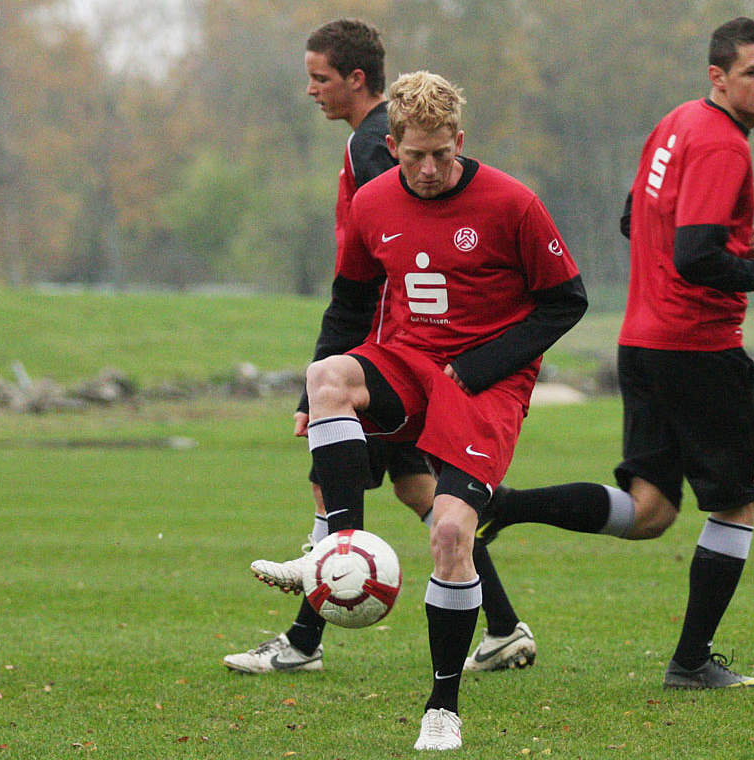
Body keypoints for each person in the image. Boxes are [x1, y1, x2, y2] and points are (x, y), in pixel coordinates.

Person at [473, 16, 754, 690]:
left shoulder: (675, 123)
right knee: (736, 503)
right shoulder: (721, 145)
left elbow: (636, 219)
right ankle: (691, 661)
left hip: (642, 342)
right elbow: (694, 255)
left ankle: (501, 507)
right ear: (718, 77)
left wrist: (730, 246)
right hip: (699, 349)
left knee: (650, 510)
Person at [224, 19, 536, 678]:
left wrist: (346, 374)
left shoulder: (380, 150)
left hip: (395, 359)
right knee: (419, 489)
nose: (311, 91)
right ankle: (503, 628)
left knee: (332, 477)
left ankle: (307, 629)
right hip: (393, 353)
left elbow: (393, 275)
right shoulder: (368, 144)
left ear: (356, 78)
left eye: (320, 78)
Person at [294, 70, 587, 750]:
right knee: (325, 377)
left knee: (452, 536)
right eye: (413, 155)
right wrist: (308, 401)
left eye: (441, 154)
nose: (428, 169)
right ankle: (345, 550)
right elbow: (349, 305)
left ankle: (443, 706)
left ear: (460, 139)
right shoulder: (371, 204)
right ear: (391, 142)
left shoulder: (513, 203)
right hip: (405, 361)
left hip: (486, 385)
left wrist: (485, 364)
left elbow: (567, 300)